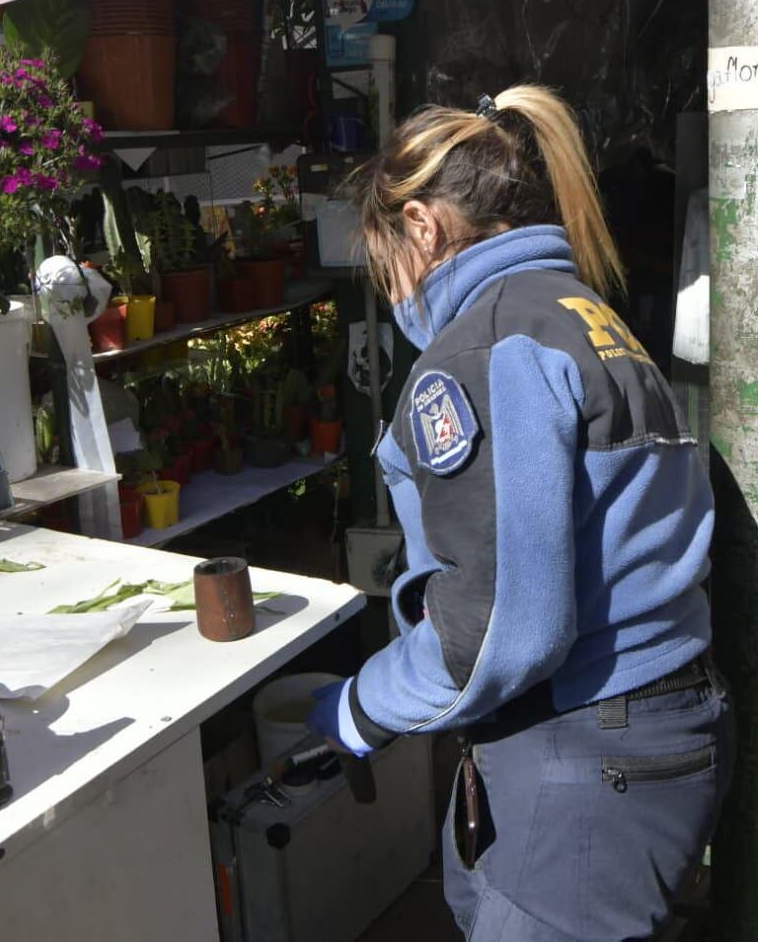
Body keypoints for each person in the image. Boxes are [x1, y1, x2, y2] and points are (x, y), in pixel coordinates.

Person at [306, 85, 733, 942]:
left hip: (585, 744)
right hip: (646, 731)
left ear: (422, 227)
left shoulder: (482, 352)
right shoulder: (587, 317)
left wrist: (357, 711)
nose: (389, 288)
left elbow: (499, 629)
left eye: (382, 259)